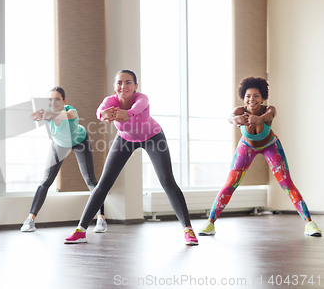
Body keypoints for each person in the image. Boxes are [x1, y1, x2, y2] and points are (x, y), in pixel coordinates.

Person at [64, 70, 199, 245]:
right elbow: (100, 111)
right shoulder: (110, 101)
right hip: (125, 139)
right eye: (119, 83)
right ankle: (80, 230)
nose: (123, 86)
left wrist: (124, 114)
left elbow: (135, 110)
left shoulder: (141, 98)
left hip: (153, 137)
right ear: (115, 87)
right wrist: (103, 115)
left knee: (167, 181)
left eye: (128, 83)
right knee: (104, 183)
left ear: (135, 86)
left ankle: (188, 229)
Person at [199, 76, 321, 237]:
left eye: (256, 95)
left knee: (287, 184)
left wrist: (260, 119)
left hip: (270, 145)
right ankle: (209, 223)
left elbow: (271, 116)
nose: (252, 99)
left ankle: (309, 223)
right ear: (243, 98)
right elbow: (230, 117)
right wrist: (235, 119)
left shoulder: (269, 110)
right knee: (229, 185)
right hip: (247, 147)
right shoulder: (239, 111)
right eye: (248, 96)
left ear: (263, 97)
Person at [20, 87, 107, 233]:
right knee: (46, 181)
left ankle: (101, 219)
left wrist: (50, 114)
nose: (53, 102)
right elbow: (32, 117)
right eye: (50, 100)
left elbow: (68, 115)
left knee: (91, 181)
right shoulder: (47, 112)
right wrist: (36, 115)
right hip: (59, 144)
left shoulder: (71, 111)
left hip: (80, 141)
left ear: (64, 101)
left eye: (57, 99)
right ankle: (30, 220)